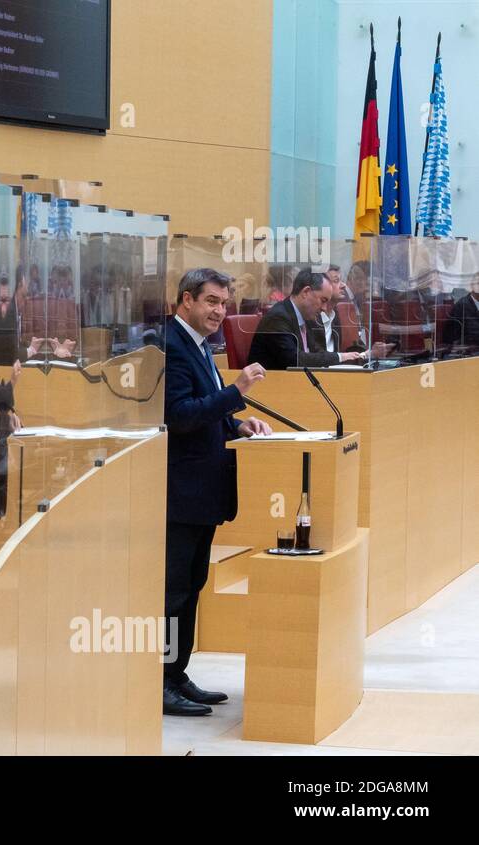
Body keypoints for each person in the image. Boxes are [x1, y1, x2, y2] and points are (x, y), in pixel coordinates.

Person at [164, 268, 273, 716]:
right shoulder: (170, 345)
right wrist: (236, 392)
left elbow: (204, 413)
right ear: (186, 299)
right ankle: (159, 679)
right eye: (211, 301)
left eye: (224, 303)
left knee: (192, 586)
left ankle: (176, 674)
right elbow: (179, 416)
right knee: (171, 593)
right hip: (179, 493)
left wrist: (237, 424)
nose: (219, 311)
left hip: (202, 493)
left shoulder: (198, 343)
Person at [246, 268, 367, 371]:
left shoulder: (305, 316)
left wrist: (351, 357)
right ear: (306, 292)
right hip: (270, 386)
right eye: (323, 300)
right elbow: (295, 360)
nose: (324, 308)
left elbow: (316, 351)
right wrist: (340, 357)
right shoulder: (278, 318)